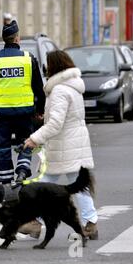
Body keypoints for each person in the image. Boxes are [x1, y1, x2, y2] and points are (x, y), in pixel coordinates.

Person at [24, 50, 98, 240]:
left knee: (49, 185)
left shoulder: (59, 90)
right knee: (69, 185)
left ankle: (36, 222)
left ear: (54, 66)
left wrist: (35, 138)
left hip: (64, 144)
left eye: (48, 65)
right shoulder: (71, 87)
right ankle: (89, 223)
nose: (46, 69)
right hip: (70, 142)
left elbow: (56, 123)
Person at [0, 20, 45, 200]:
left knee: (2, 148)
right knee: (26, 143)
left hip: (2, 113)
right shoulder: (28, 58)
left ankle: (6, 185)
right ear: (17, 38)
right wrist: (40, 109)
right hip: (25, 112)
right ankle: (23, 171)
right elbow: (38, 88)